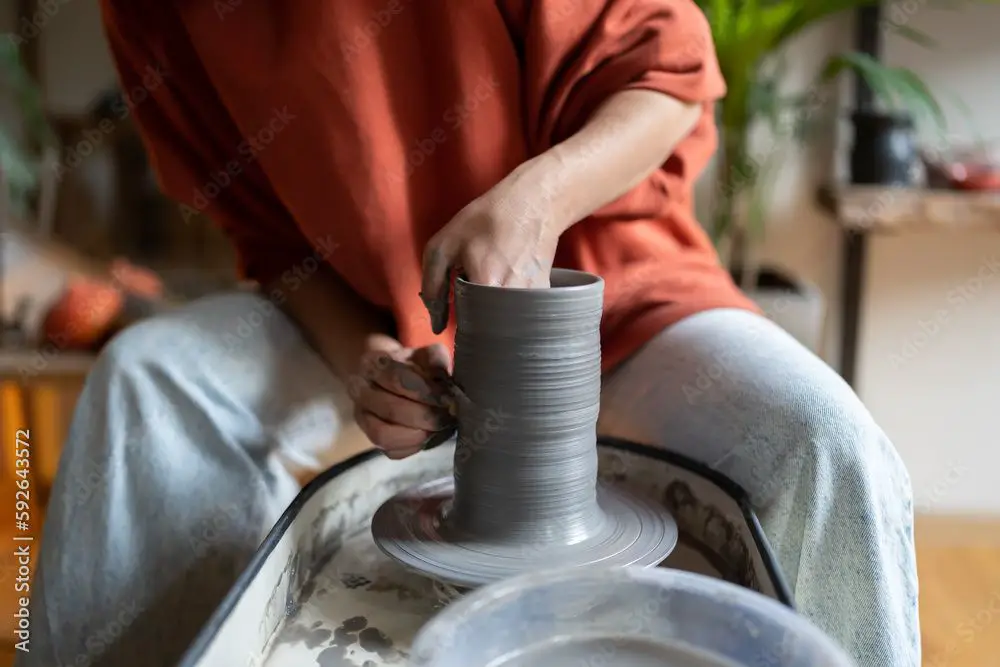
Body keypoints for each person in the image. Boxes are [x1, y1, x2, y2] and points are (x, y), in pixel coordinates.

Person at [20, 1, 918, 666]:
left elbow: (666, 83)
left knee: (825, 440)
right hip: (374, 305)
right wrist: (361, 363)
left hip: (617, 286)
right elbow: (272, 241)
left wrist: (536, 198)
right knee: (147, 377)